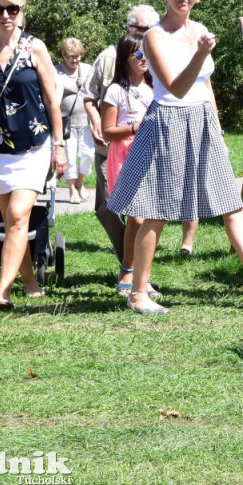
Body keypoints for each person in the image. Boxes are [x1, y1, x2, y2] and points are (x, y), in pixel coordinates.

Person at [108, 0, 243, 313]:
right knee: (154, 209)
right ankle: (138, 293)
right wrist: (201, 53)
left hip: (202, 121)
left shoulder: (200, 29)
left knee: (231, 204)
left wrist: (216, 125)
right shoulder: (153, 36)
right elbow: (175, 86)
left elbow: (205, 86)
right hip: (168, 120)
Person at [0, 0, 67, 310]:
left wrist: (60, 144)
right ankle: (29, 280)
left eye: (12, 8)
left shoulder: (35, 47)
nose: (5, 15)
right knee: (13, 224)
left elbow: (53, 101)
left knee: (21, 215)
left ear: (22, 9)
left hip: (34, 145)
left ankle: (2, 292)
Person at [83, 6, 198, 265]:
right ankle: (129, 260)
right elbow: (89, 97)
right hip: (113, 147)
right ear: (128, 30)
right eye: (140, 30)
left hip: (150, 149)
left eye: (150, 29)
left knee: (144, 213)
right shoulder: (109, 57)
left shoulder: (158, 55)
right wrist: (96, 123)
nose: (146, 36)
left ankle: (133, 264)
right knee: (109, 208)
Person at [100, 34, 156, 296]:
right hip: (125, 155)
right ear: (125, 58)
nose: (143, 58)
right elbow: (107, 131)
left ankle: (137, 276)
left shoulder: (154, 87)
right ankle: (129, 273)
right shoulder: (116, 91)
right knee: (137, 216)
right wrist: (136, 127)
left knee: (143, 220)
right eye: (137, 54)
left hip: (151, 155)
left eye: (145, 53)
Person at [55, 37, 92, 203]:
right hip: (66, 124)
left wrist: (85, 85)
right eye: (71, 56)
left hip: (86, 122)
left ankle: (80, 182)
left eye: (77, 56)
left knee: (88, 155)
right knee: (69, 157)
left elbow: (96, 91)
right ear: (63, 55)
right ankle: (71, 191)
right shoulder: (57, 71)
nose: (75, 60)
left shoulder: (88, 70)